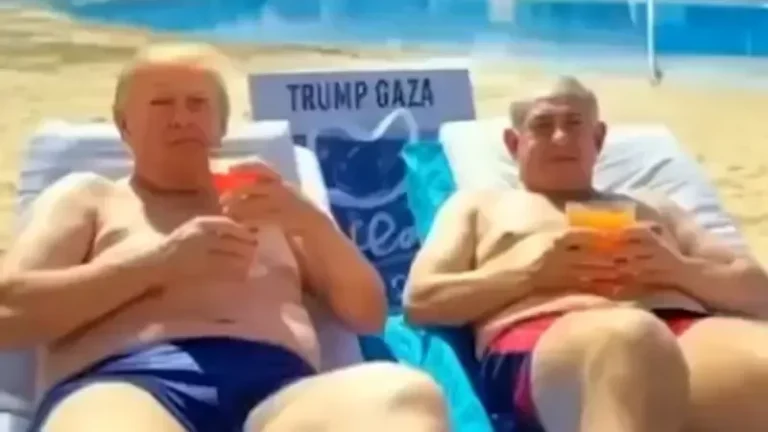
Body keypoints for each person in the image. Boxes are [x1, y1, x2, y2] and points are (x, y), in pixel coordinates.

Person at [0, 43, 450, 432]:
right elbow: (8, 312)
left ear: (220, 125)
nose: (182, 118)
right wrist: (157, 265)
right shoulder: (90, 198)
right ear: (124, 125)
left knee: (403, 394)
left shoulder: (273, 204)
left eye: (197, 104)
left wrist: (308, 222)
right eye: (161, 103)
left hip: (282, 394)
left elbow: (368, 315)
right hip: (128, 383)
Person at [404, 75, 768, 432]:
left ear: (598, 138)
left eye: (574, 124)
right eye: (543, 126)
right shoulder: (479, 206)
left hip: (681, 328)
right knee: (629, 341)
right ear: (514, 144)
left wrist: (678, 270)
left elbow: (757, 290)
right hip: (552, 337)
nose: (560, 137)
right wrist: (531, 275)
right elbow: (421, 300)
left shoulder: (654, 206)